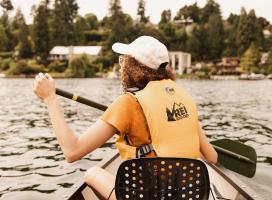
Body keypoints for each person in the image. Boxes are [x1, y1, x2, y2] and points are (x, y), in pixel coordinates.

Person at [33, 36, 217, 200]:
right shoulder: (184, 99)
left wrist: (50, 99)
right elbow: (212, 157)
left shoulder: (128, 104)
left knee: (92, 173)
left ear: (133, 67)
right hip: (186, 195)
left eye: (124, 62)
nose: (122, 66)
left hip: (147, 196)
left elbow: (72, 152)